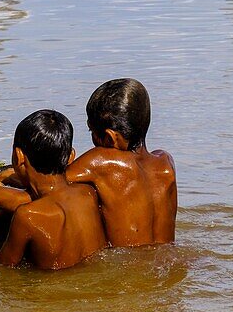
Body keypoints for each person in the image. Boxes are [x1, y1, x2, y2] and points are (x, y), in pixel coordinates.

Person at [0, 109, 107, 270]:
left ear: (18, 157)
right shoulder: (87, 193)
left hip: (46, 294)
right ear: (71, 156)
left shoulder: (27, 216)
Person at [66, 78, 177, 247]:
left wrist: (11, 173)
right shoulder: (166, 163)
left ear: (110, 138)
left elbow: (49, 180)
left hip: (128, 266)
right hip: (167, 263)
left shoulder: (102, 160)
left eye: (92, 131)